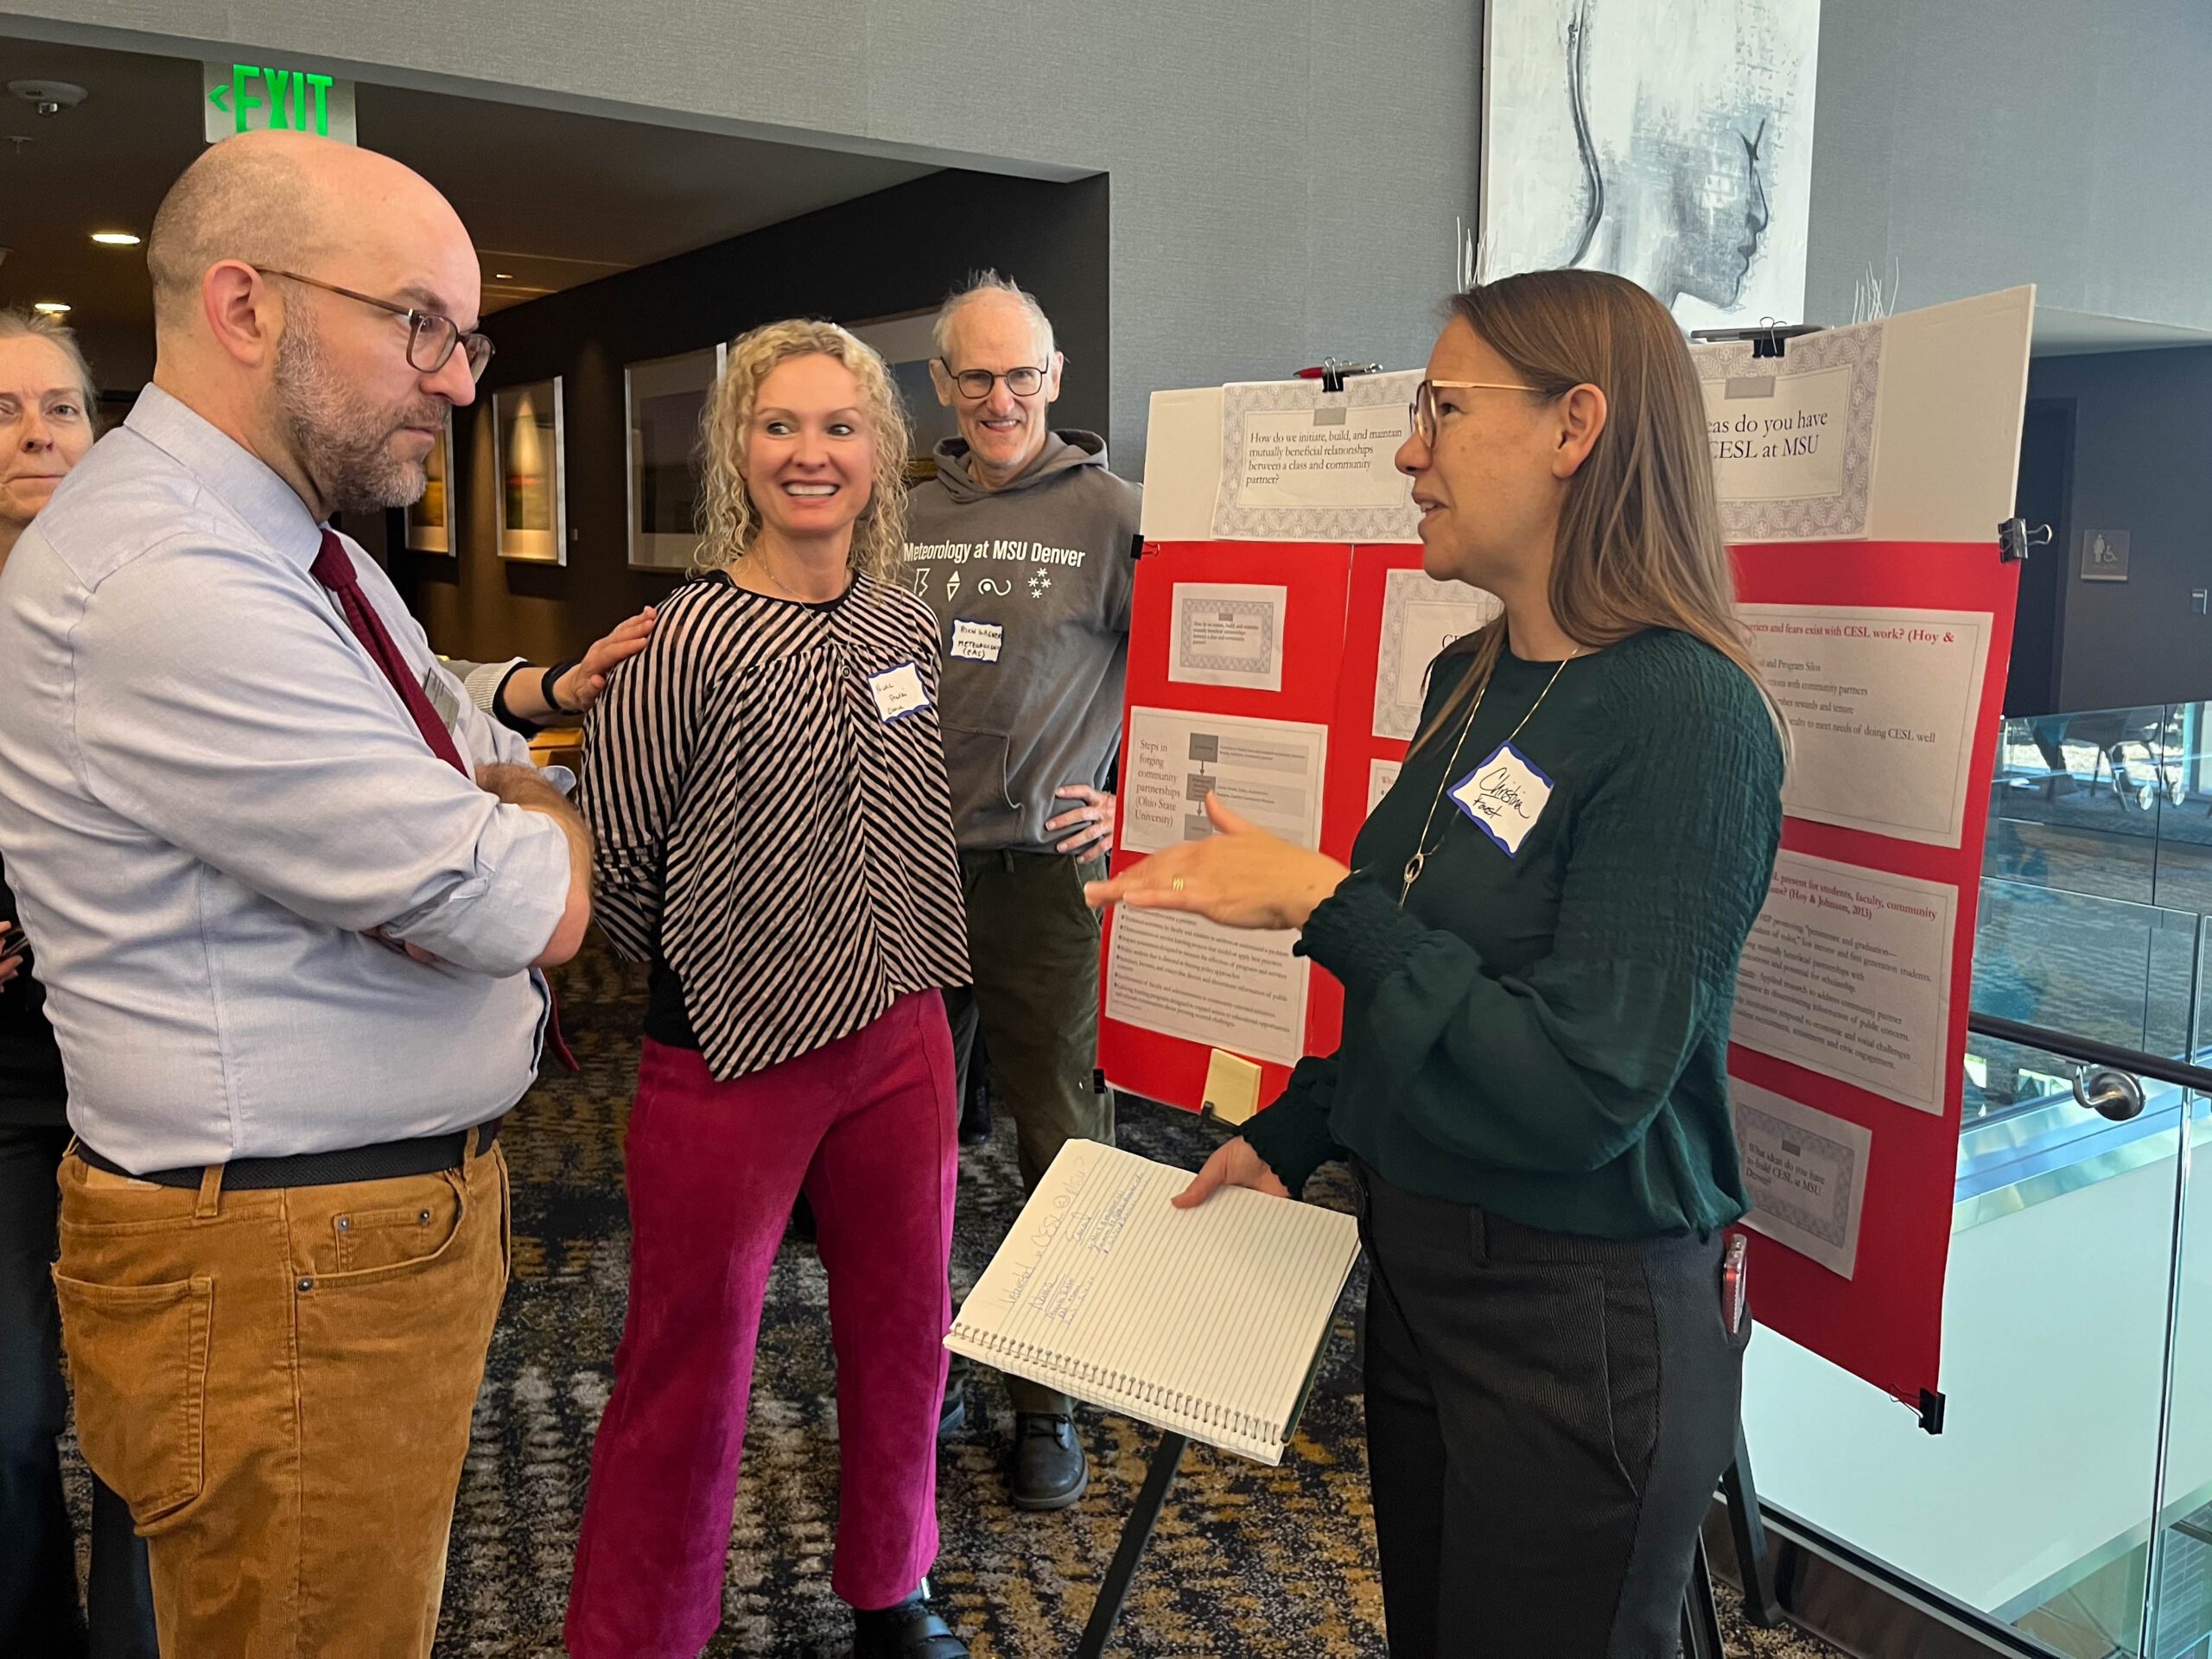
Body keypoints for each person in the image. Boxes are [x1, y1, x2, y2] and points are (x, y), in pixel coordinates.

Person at [1089, 269, 1785, 1657]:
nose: (1410, 449)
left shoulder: (1689, 717)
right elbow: (1445, 981)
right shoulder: (1471, 675)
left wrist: (1324, 899)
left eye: (1444, 408)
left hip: (1579, 1317)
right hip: (1426, 1276)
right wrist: (1296, 1129)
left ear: (1576, 427)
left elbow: (1582, 1084)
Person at [0, 130, 591, 1656]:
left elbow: (456, 730)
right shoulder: (170, 577)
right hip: (289, 1272)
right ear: (248, 307)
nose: (460, 380)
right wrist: (531, 802)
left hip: (336, 1247)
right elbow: (523, 902)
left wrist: (491, 768)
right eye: (420, 326)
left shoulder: (296, 544)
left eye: (467, 336)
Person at [568, 320, 971, 1659]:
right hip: (730, 1048)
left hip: (904, 1023)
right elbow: (619, 863)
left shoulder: (903, 618)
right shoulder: (679, 640)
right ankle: (643, 1636)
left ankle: (891, 1585)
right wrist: (739, 949)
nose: (813, 454)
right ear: (739, 451)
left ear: (881, 452)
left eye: (840, 427)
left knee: (909, 1326)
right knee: (688, 1360)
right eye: (781, 426)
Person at [900, 271, 1140, 1507]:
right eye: (976, 375)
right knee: (912, 1144)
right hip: (908, 876)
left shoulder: (1113, 515)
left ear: (1056, 379)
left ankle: (1051, 1396)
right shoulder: (901, 515)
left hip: (1048, 880)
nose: (1002, 397)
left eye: (1023, 373)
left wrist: (1136, 799)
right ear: (942, 386)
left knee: (1062, 1143)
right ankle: (920, 1371)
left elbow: (1208, 674)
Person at [0, 311, 158, 1659]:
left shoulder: (143, 589)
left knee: (151, 1413)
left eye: (60, 407)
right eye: (3, 411)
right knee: (5, 1415)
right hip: (7, 1073)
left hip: (146, 1055)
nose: (38, 435)